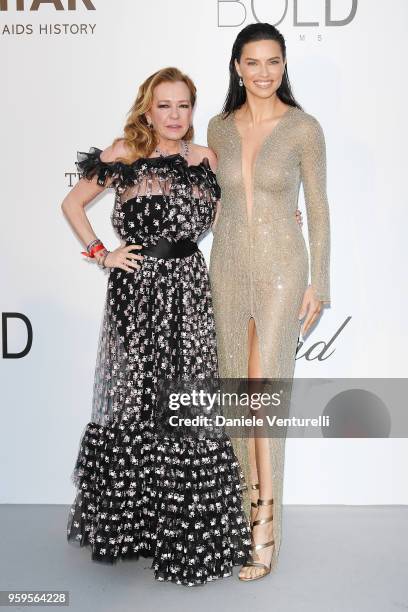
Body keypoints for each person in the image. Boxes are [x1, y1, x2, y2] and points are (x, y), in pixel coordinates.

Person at [61, 66, 252, 587]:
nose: (174, 116)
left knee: (185, 405)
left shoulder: (203, 159)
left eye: (184, 106)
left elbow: (230, 218)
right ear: (148, 108)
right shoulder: (123, 152)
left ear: (193, 110)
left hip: (188, 293)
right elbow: (73, 204)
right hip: (136, 293)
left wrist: (285, 215)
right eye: (164, 105)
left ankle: (184, 531)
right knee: (136, 400)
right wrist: (104, 253)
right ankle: (136, 528)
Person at [207, 23, 331, 581]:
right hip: (227, 270)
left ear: (284, 66)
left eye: (273, 62)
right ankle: (243, 514)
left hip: (284, 272)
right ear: (237, 66)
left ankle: (267, 528)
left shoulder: (303, 128)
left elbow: (320, 211)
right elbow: (213, 207)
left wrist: (319, 282)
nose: (263, 73)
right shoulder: (217, 129)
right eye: (253, 63)